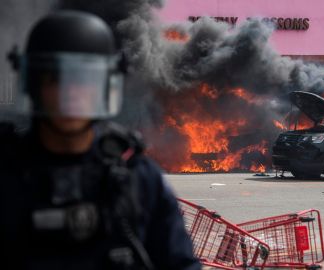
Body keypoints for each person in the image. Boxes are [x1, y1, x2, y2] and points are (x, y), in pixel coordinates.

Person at [0, 10, 201, 270]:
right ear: (34, 86)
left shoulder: (138, 179)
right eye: (55, 79)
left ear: (104, 87)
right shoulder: (6, 176)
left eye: (84, 80)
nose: (71, 93)